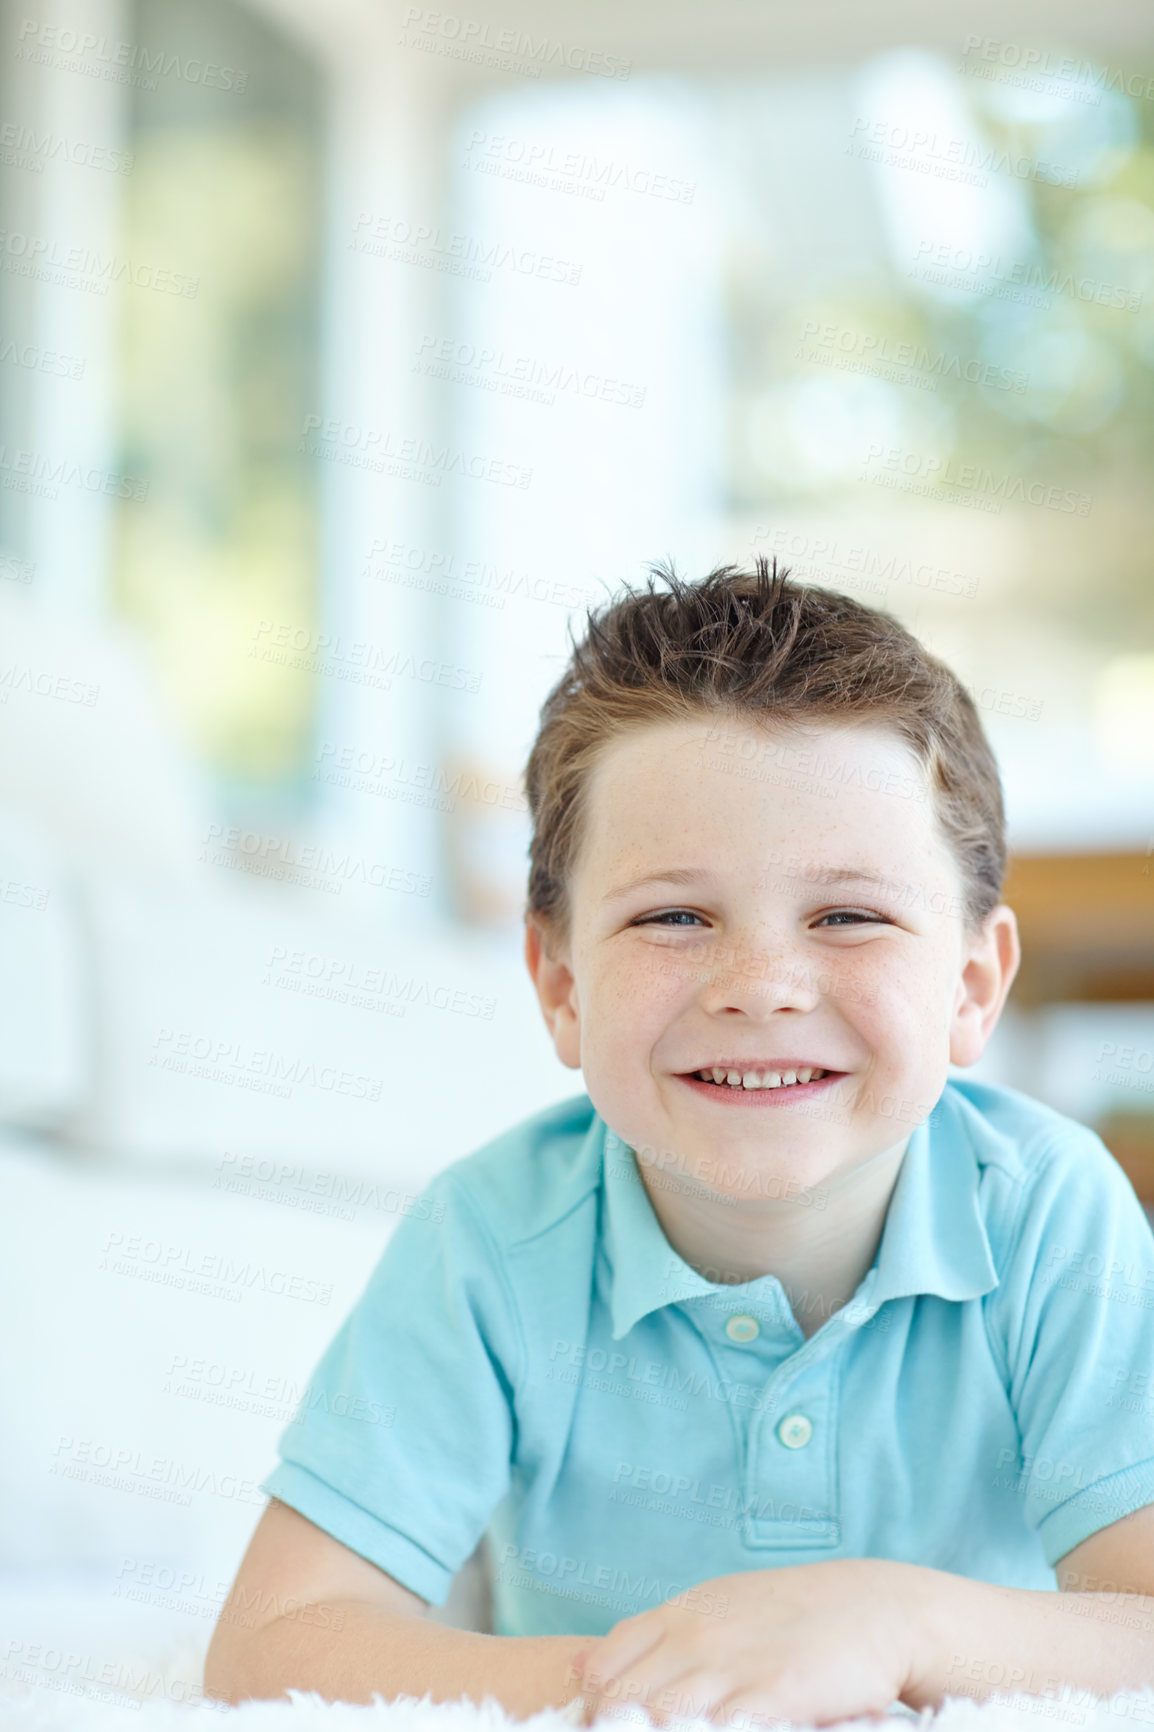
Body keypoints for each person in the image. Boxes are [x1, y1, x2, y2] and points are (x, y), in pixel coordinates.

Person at [205, 558, 1154, 1724]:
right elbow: (272, 1643)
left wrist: (889, 1620)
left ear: (968, 983)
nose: (759, 987)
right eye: (672, 916)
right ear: (559, 982)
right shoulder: (486, 1239)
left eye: (847, 915)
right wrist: (673, 1686)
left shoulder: (1051, 1212)